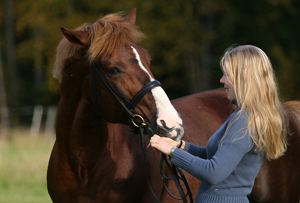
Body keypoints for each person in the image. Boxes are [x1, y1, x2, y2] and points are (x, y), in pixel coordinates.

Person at [150, 45, 289, 203]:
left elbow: (213, 173)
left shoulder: (245, 120)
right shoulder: (242, 116)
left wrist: (172, 152)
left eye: (227, 75)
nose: (222, 80)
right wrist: (180, 146)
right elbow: (218, 156)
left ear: (244, 78)